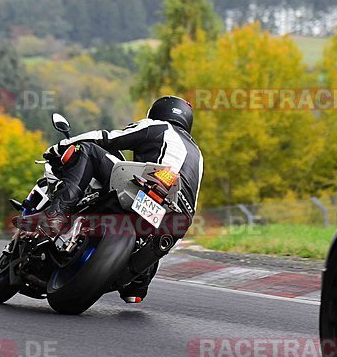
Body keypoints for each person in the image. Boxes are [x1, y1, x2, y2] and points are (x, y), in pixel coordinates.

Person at [12, 95, 203, 303]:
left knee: (89, 150)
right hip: (180, 213)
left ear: (157, 112)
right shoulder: (198, 155)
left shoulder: (158, 126)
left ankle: (56, 214)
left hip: (149, 181)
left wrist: (62, 146)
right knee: (155, 236)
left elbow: (109, 138)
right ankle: (136, 285)